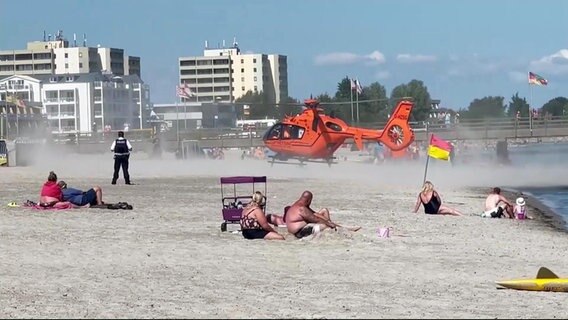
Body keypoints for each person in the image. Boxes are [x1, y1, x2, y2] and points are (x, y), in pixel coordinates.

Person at [285, 190, 361, 239]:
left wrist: (329, 221)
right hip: (299, 232)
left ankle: (338, 227)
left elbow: (315, 214)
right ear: (308, 200)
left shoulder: (300, 205)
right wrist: (328, 223)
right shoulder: (302, 208)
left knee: (324, 211)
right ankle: (337, 228)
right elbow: (315, 219)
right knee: (324, 225)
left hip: (303, 226)